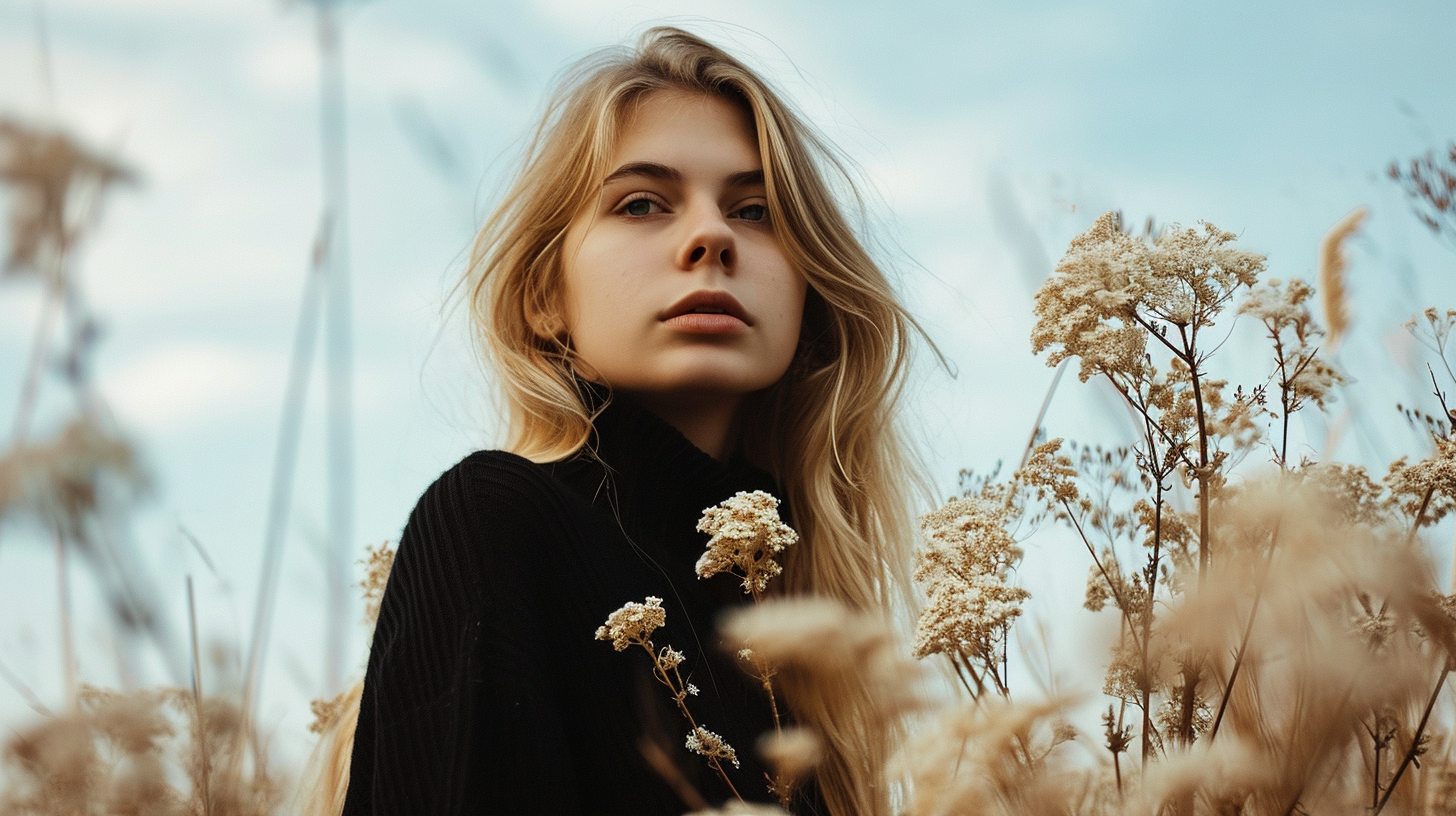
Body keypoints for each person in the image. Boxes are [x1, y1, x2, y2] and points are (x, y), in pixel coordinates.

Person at [331, 26, 928, 816]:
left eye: (754, 211)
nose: (712, 236)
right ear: (547, 297)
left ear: (808, 304)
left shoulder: (808, 642)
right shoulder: (494, 521)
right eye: (642, 203)